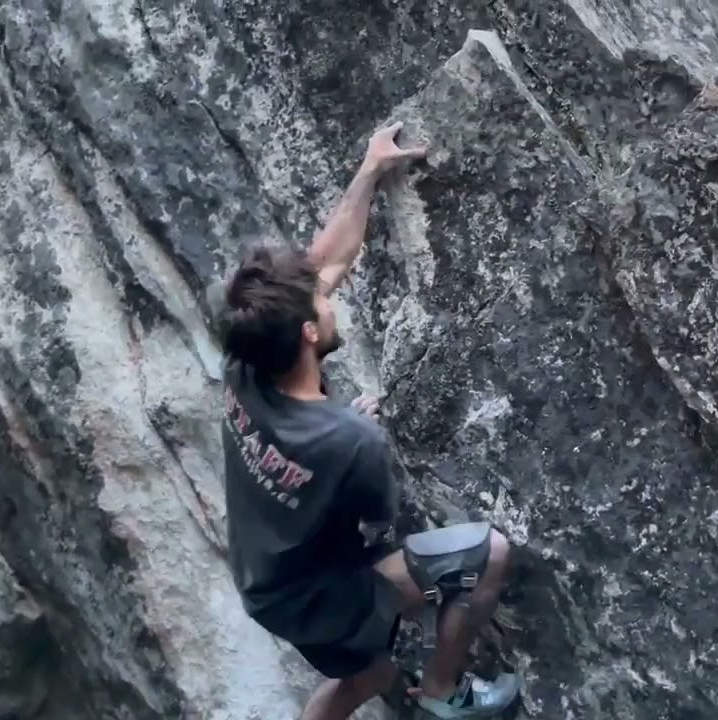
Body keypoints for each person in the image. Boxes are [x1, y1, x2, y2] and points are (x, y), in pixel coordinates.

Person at [217, 122, 521, 719]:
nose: (331, 295)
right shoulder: (351, 441)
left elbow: (324, 263)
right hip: (325, 594)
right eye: (325, 304)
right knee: (492, 555)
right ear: (309, 334)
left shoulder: (248, 358)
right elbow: (378, 543)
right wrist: (346, 438)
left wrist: (370, 169)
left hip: (266, 582)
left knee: (371, 674)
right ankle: (443, 693)